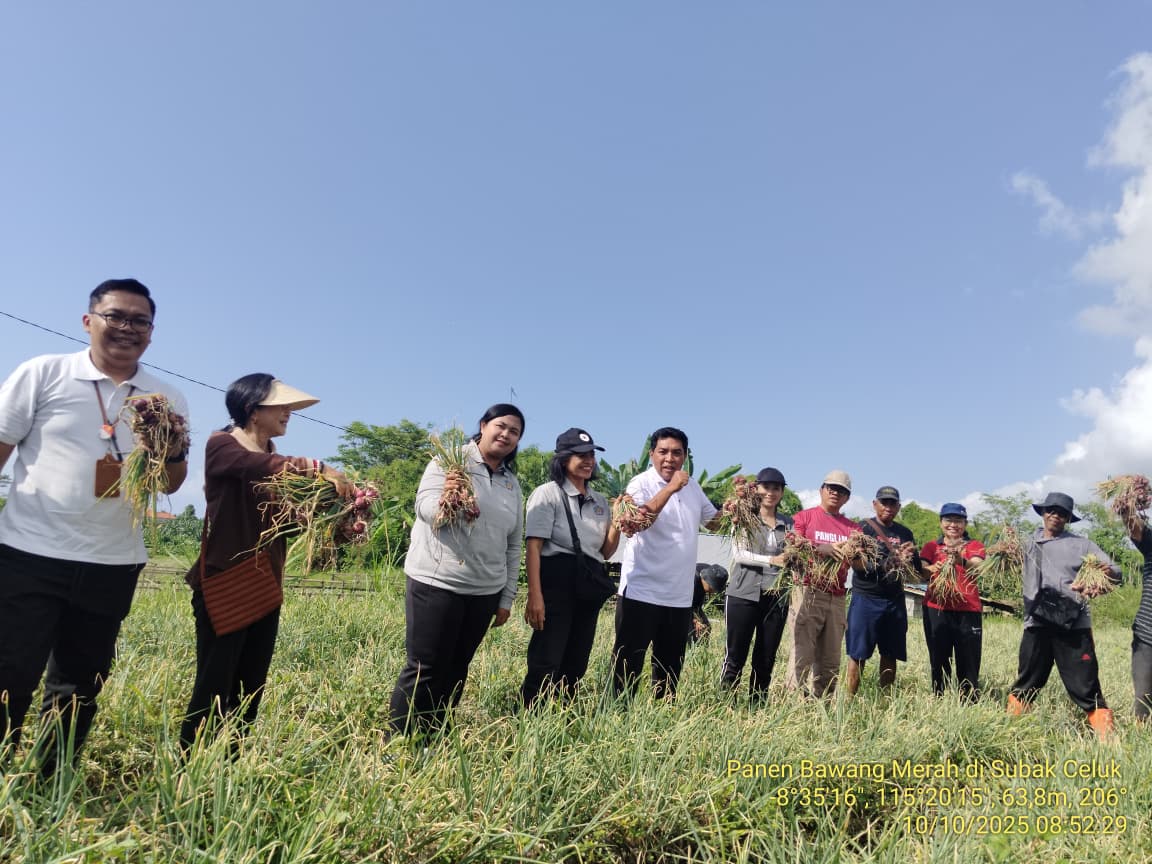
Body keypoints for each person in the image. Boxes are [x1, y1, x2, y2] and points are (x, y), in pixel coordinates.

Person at [0, 279, 189, 772]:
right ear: (89, 321)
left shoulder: (165, 398)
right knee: (9, 671)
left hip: (112, 560)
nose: (127, 328)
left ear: (152, 332)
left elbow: (170, 483)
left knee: (81, 682)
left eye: (139, 321)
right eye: (115, 316)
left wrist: (168, 447)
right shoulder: (43, 373)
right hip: (28, 552)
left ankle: (51, 780)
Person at [179, 374, 343, 752]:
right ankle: (191, 765)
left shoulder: (275, 463)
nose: (288, 413)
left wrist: (327, 516)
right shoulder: (224, 445)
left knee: (250, 686)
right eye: (280, 406)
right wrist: (317, 467)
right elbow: (251, 465)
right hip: (225, 583)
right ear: (253, 410)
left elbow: (281, 525)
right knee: (213, 685)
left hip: (265, 586)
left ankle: (232, 763)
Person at [389, 404, 524, 734]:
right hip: (438, 581)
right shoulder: (449, 462)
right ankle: (400, 742)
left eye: (515, 432)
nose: (506, 435)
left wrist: (506, 597)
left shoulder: (511, 484)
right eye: (501, 426)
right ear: (484, 425)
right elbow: (424, 509)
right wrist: (447, 497)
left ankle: (435, 736)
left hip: (485, 590)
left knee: (457, 667)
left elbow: (513, 544)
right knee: (424, 668)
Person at [611, 427, 720, 700]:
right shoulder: (640, 483)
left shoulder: (693, 487)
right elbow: (638, 522)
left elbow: (713, 523)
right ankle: (618, 714)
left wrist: (735, 511)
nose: (670, 458)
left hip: (679, 597)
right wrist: (671, 488)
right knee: (627, 665)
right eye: (663, 452)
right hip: (641, 592)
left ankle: (662, 717)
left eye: (676, 453)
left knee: (669, 670)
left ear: (685, 456)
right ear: (651, 454)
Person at [520, 428, 620, 707]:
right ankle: (531, 713)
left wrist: (618, 522)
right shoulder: (547, 494)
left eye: (591, 455)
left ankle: (564, 712)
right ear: (563, 459)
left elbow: (605, 552)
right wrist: (535, 595)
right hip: (557, 578)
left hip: (588, 580)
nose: (588, 461)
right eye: (580, 455)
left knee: (577, 656)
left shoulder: (600, 501)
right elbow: (533, 547)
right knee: (547, 654)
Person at [1006, 492, 1119, 739]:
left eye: (1062, 513)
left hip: (1073, 624)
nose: (1055, 516)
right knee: (1027, 680)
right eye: (1051, 511)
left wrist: (1103, 575)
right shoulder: (1027, 543)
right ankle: (1011, 734)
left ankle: (1108, 740)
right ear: (1043, 513)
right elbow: (1004, 560)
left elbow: (1115, 571)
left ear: (1068, 518)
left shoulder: (1082, 545)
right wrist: (1002, 550)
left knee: (1085, 684)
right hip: (1036, 622)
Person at [785, 470, 865, 698]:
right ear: (821, 490)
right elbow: (792, 547)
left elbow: (861, 566)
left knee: (831, 658)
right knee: (802, 652)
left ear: (847, 498)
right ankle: (793, 702)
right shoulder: (804, 517)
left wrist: (855, 552)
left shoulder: (853, 529)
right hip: (808, 591)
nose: (835, 493)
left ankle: (823, 704)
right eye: (831, 488)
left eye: (841, 491)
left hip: (837, 597)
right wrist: (820, 548)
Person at [721, 467, 793, 703]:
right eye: (766, 487)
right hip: (743, 593)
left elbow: (793, 554)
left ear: (782, 492)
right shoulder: (743, 515)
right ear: (755, 489)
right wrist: (772, 560)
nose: (770, 492)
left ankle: (757, 707)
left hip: (776, 596)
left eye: (776, 488)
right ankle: (726, 705)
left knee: (766, 657)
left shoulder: (788, 524)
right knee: (735, 655)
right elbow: (740, 554)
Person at [844, 486, 920, 696]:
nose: (888, 507)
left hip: (894, 600)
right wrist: (881, 565)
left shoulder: (905, 533)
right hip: (866, 598)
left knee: (890, 652)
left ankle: (885, 700)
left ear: (898, 507)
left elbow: (915, 570)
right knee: (858, 653)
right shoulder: (862, 528)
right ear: (875, 504)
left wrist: (906, 560)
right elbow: (854, 562)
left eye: (892, 503)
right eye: (884, 502)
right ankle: (849, 699)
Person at [919, 503, 985, 700]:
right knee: (938, 657)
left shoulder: (974, 546)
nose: (953, 525)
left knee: (969, 658)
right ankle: (940, 697)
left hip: (968, 608)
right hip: (936, 608)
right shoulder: (931, 546)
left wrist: (960, 560)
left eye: (958, 521)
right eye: (949, 520)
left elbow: (978, 566)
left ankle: (969, 700)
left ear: (965, 524)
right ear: (941, 523)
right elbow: (921, 569)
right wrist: (931, 569)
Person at [1128, 512, 1152, 723]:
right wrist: (1127, 506)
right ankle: (1140, 732)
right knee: (1143, 699)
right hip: (1147, 635)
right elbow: (1136, 529)